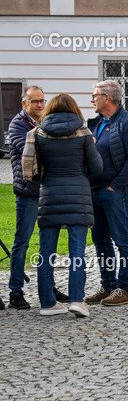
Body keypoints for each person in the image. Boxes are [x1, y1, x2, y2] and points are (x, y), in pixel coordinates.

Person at [28, 94, 104, 316]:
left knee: (46, 253)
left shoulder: (39, 133)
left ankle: (47, 303)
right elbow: (97, 168)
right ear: (73, 110)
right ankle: (77, 301)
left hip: (49, 194)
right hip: (78, 195)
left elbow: (32, 168)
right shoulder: (83, 133)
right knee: (77, 251)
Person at [6, 85, 69, 310]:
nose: (40, 105)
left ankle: (48, 287)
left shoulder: (45, 123)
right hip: (29, 193)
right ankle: (15, 292)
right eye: (35, 102)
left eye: (42, 101)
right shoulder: (17, 125)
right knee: (21, 243)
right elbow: (29, 152)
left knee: (48, 244)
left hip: (48, 192)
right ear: (24, 104)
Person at [86, 80, 128, 307]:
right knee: (100, 240)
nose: (92, 100)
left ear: (107, 98)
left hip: (116, 191)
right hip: (95, 190)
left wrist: (114, 186)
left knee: (122, 240)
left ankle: (125, 288)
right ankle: (108, 285)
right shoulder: (96, 123)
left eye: (94, 96)